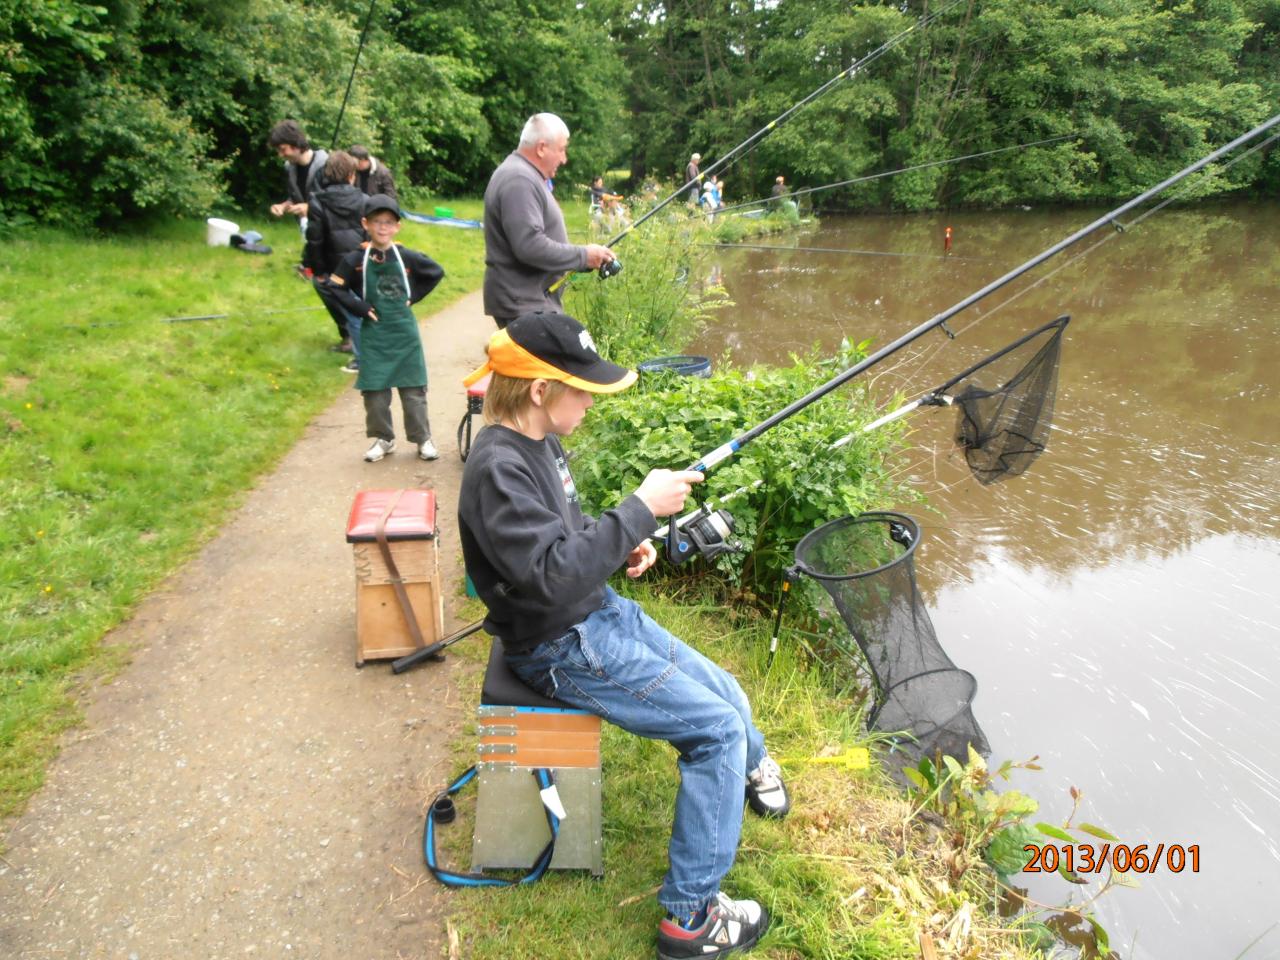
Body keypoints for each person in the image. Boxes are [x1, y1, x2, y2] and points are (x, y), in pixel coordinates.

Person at [457, 311, 790, 960]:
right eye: (581, 389)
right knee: (716, 730)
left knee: (725, 691)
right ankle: (690, 922)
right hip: (557, 645)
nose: (588, 401)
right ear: (538, 389)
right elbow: (548, 581)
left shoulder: (542, 446)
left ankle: (748, 772)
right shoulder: (498, 468)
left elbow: (566, 545)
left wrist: (621, 546)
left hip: (595, 610)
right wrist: (640, 506)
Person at [325, 195, 445, 462]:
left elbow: (436, 272)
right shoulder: (356, 258)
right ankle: (384, 439)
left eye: (389, 222)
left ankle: (423, 439)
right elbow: (334, 287)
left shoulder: (406, 256)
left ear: (397, 227)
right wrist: (360, 308)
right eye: (377, 222)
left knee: (413, 392)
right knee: (375, 394)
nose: (383, 228)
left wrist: (413, 296)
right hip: (375, 335)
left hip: (404, 333)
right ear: (365, 224)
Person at [482, 114, 614, 329]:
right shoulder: (519, 179)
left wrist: (581, 259)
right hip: (523, 306)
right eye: (561, 149)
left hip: (530, 303)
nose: (564, 159)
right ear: (542, 147)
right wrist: (583, 256)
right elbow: (529, 246)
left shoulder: (524, 175)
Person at [304, 151, 368, 362]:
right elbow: (370, 235)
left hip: (335, 268)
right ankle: (362, 350)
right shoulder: (365, 200)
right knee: (360, 307)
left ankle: (361, 358)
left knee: (351, 311)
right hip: (362, 266)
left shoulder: (317, 201)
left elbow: (315, 241)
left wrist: (320, 271)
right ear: (352, 175)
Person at [267, 120, 329, 235]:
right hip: (309, 231)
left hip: (330, 233)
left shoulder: (326, 165)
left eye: (283, 149)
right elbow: (295, 199)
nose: (280, 155)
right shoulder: (290, 168)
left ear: (295, 144)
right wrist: (283, 206)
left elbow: (335, 202)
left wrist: (309, 208)